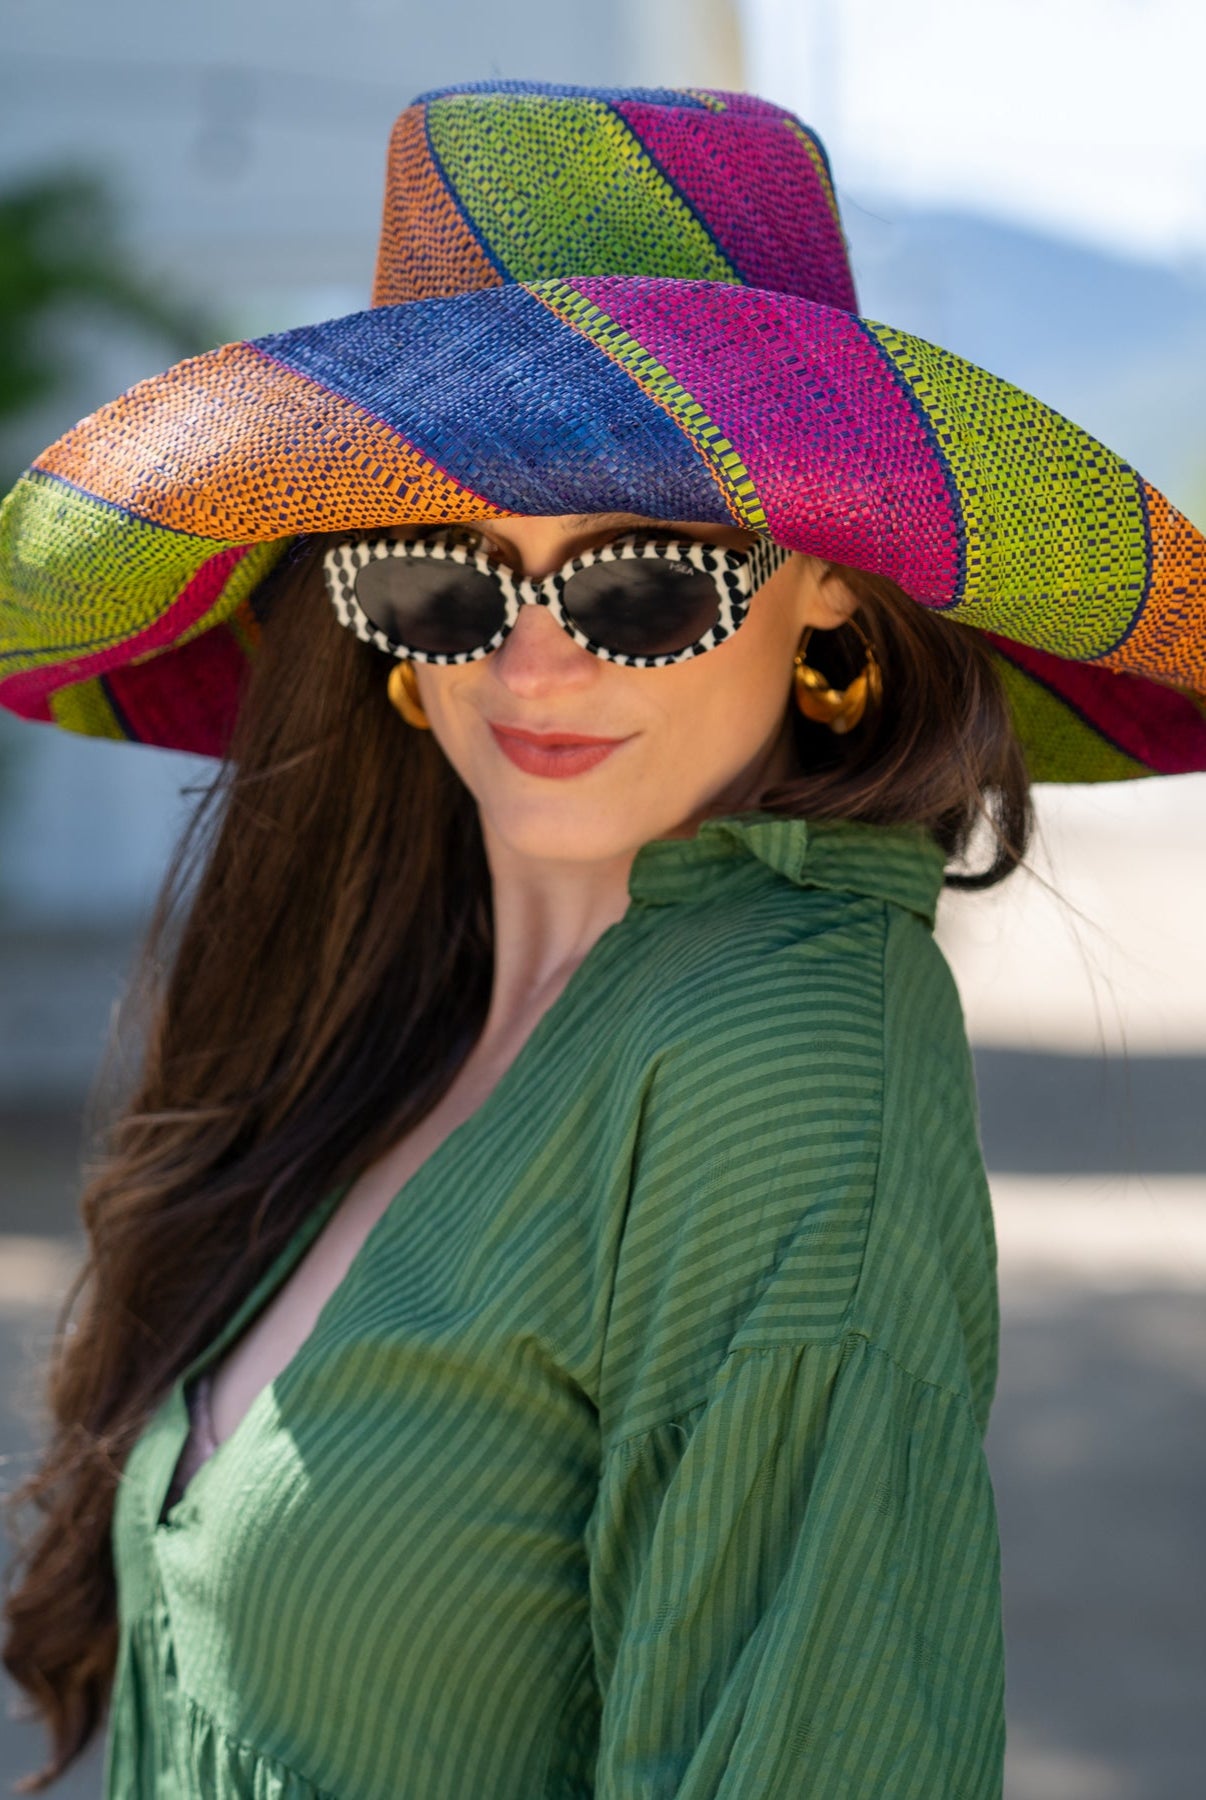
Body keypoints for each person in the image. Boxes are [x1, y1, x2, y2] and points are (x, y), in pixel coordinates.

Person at [1, 79, 1203, 1800]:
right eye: (443, 578)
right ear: (382, 632)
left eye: (641, 581)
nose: (532, 660)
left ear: (828, 588)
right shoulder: (392, 1017)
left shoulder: (775, 1060)